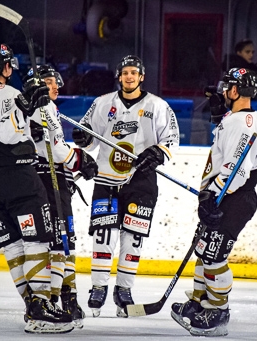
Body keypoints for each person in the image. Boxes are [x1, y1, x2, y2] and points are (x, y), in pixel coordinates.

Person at [0, 43, 73, 334]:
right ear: (8, 68)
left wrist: (31, 101)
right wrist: (38, 102)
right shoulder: (13, 95)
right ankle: (40, 308)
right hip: (19, 179)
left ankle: (31, 306)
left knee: (12, 246)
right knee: (36, 241)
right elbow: (46, 129)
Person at [72, 55, 180, 318]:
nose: (129, 77)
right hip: (106, 179)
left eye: (134, 73)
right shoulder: (102, 103)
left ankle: (124, 290)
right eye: (125, 73)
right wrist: (83, 136)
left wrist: (157, 152)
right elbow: (88, 138)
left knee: (133, 237)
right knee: (104, 235)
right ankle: (98, 287)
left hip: (140, 181)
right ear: (119, 76)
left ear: (142, 76)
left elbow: (172, 138)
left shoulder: (158, 105)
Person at [171, 67, 257, 337]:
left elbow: (237, 169)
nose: (224, 91)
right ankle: (201, 303)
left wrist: (212, 195)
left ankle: (217, 312)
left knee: (214, 256)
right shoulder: (239, 118)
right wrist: (218, 116)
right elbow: (230, 145)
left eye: (228, 87)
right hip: (225, 195)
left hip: (232, 198)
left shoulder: (242, 122)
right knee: (203, 250)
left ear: (236, 91)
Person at [23, 64, 98, 328]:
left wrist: (75, 159)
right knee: (57, 242)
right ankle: (52, 300)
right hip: (46, 180)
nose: (54, 86)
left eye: (55, 82)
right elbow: (53, 151)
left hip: (56, 179)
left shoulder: (49, 108)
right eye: (48, 81)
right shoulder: (35, 108)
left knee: (67, 242)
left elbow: (56, 147)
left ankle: (67, 296)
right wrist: (80, 159)